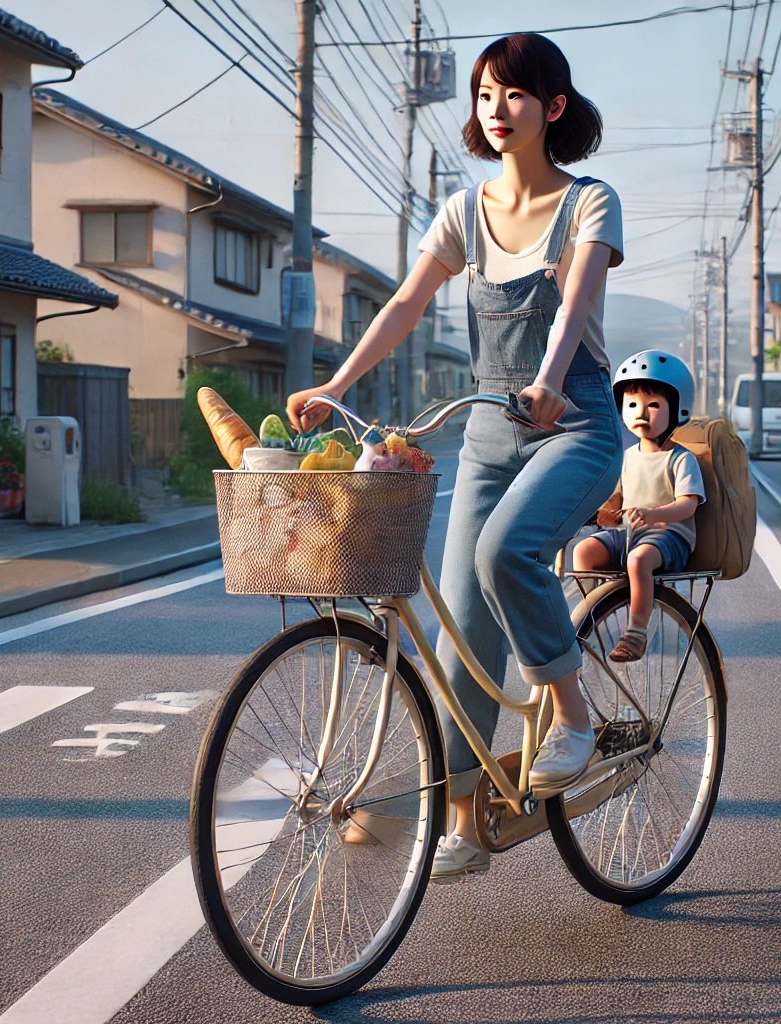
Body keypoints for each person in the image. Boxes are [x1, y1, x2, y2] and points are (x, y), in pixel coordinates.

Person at [288, 32, 623, 880]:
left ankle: (574, 715)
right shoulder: (463, 211)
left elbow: (575, 296)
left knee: (502, 550)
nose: (495, 110)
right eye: (482, 96)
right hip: (484, 433)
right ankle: (467, 822)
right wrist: (338, 383)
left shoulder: (591, 202)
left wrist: (549, 381)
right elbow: (406, 301)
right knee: (462, 627)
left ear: (552, 106)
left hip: (574, 423)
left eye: (513, 95)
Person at [573, 351, 703, 662]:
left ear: (677, 408)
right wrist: (601, 513)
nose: (641, 413)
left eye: (653, 405)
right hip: (629, 531)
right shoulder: (628, 457)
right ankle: (593, 618)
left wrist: (654, 514)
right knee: (583, 552)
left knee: (638, 559)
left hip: (669, 536)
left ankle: (636, 632)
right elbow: (615, 499)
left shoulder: (680, 458)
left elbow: (688, 505)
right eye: (632, 405)